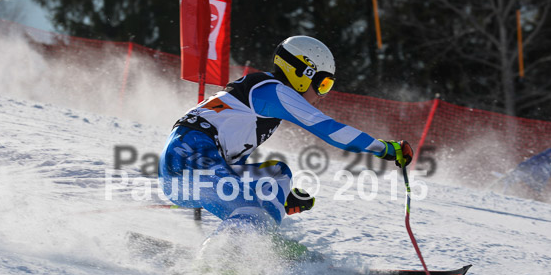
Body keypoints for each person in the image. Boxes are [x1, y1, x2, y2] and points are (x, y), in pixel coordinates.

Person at [158, 35, 413, 233]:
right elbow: (329, 129)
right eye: (323, 84)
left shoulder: (263, 95)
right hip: (187, 161)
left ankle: (259, 244)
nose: (322, 94)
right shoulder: (275, 91)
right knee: (250, 211)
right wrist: (384, 148)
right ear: (304, 73)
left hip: (193, 160)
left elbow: (229, 159)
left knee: (278, 175)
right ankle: (225, 257)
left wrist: (280, 200)